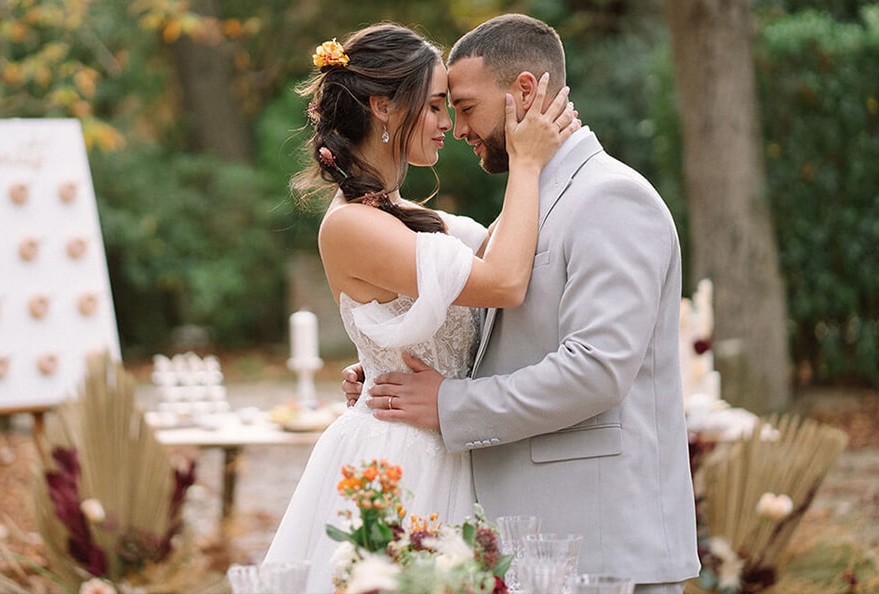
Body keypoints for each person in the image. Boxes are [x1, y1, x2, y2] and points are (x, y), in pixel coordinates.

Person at [344, 14, 701, 594]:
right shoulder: (531, 202)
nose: (457, 127)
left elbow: (597, 369)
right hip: (536, 543)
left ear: (526, 92)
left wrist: (448, 404)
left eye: (464, 106)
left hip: (602, 545)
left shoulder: (610, 197)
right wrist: (391, 368)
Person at [263, 22, 578, 593]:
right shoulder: (352, 225)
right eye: (434, 106)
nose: (447, 123)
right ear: (383, 107)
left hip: (454, 444)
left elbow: (495, 257)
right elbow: (504, 281)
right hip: (403, 461)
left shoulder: (406, 215)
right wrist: (527, 164)